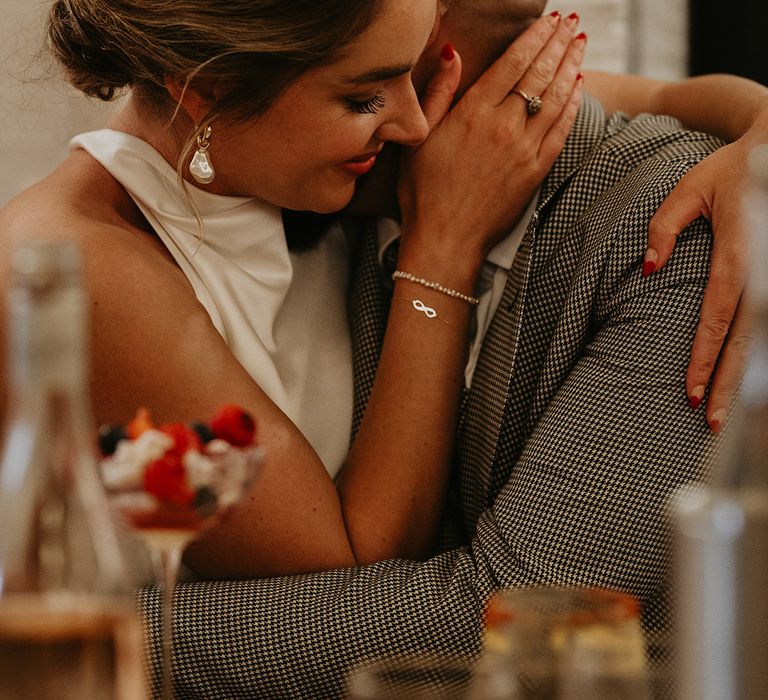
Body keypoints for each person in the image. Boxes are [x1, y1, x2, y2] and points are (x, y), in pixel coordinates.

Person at [0, 0, 765, 693]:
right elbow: (358, 576)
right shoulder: (92, 270)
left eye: (417, 76)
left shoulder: (298, 161)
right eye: (366, 95)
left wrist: (762, 134)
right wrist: (441, 251)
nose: (414, 123)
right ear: (204, 89)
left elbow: (648, 96)